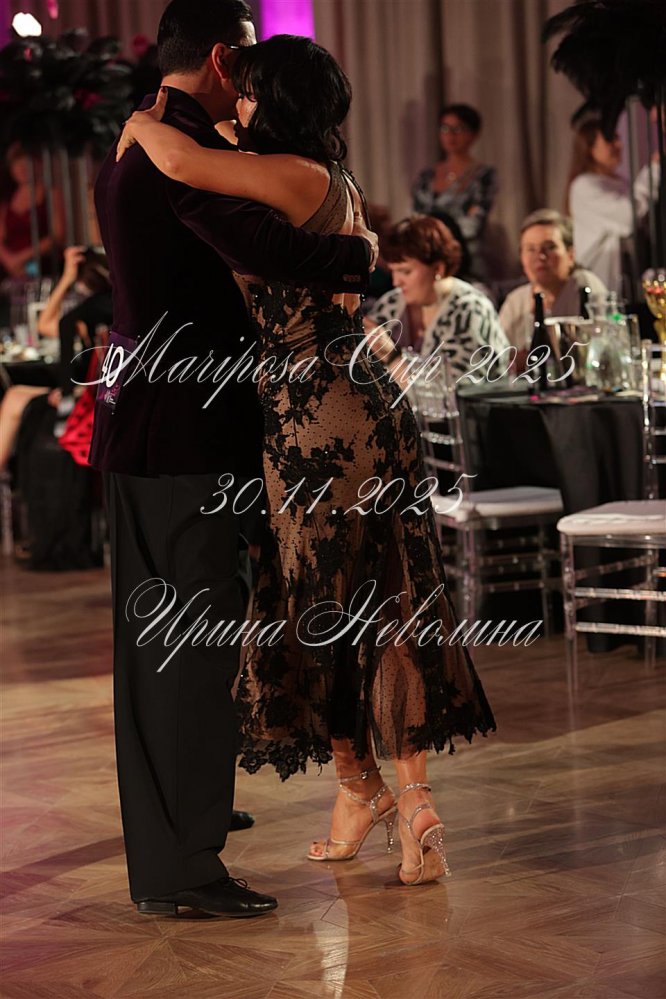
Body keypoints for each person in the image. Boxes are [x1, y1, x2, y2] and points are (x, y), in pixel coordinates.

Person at [119, 33, 496, 888]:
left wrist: (138, 124)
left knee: (318, 603)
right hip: (368, 401)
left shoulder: (285, 174)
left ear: (274, 103)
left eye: (250, 92)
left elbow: (179, 164)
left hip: (314, 411)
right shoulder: (330, 178)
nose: (240, 104)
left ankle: (361, 786)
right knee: (386, 595)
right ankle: (409, 803)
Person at [90, 0, 379, 919]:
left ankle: (186, 815)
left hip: (156, 420)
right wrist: (362, 259)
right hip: (181, 428)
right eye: (247, 62)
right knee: (181, 648)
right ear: (221, 58)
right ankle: (179, 865)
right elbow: (269, 247)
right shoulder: (173, 153)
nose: (252, 81)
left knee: (178, 642)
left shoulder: (159, 134)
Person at [364, 214, 508, 375]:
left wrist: (392, 357)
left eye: (405, 272)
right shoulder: (392, 302)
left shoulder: (470, 309)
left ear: (438, 268)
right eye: (393, 271)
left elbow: (456, 385)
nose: (396, 282)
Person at [499, 209, 607, 350]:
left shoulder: (584, 286)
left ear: (570, 255)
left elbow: (601, 345)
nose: (540, 256)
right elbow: (496, 354)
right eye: (531, 249)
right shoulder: (515, 302)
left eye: (550, 247)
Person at [412, 104, 496, 280]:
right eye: (445, 128)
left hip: (466, 260)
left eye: (458, 129)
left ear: (474, 134)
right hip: (426, 257)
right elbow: (415, 218)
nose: (450, 135)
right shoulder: (427, 176)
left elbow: (473, 224)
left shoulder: (482, 176)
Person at [567, 119, 633, 294]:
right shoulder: (584, 186)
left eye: (618, 138)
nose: (619, 145)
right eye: (610, 140)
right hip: (602, 283)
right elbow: (627, 218)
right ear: (590, 148)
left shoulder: (622, 183)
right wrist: (653, 170)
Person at [0, 142, 63, 280]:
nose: (21, 168)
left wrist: (22, 258)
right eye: (16, 164)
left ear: (37, 164)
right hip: (13, 271)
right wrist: (10, 262)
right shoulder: (7, 200)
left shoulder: (50, 193)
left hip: (44, 267)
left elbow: (58, 235)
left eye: (25, 163)